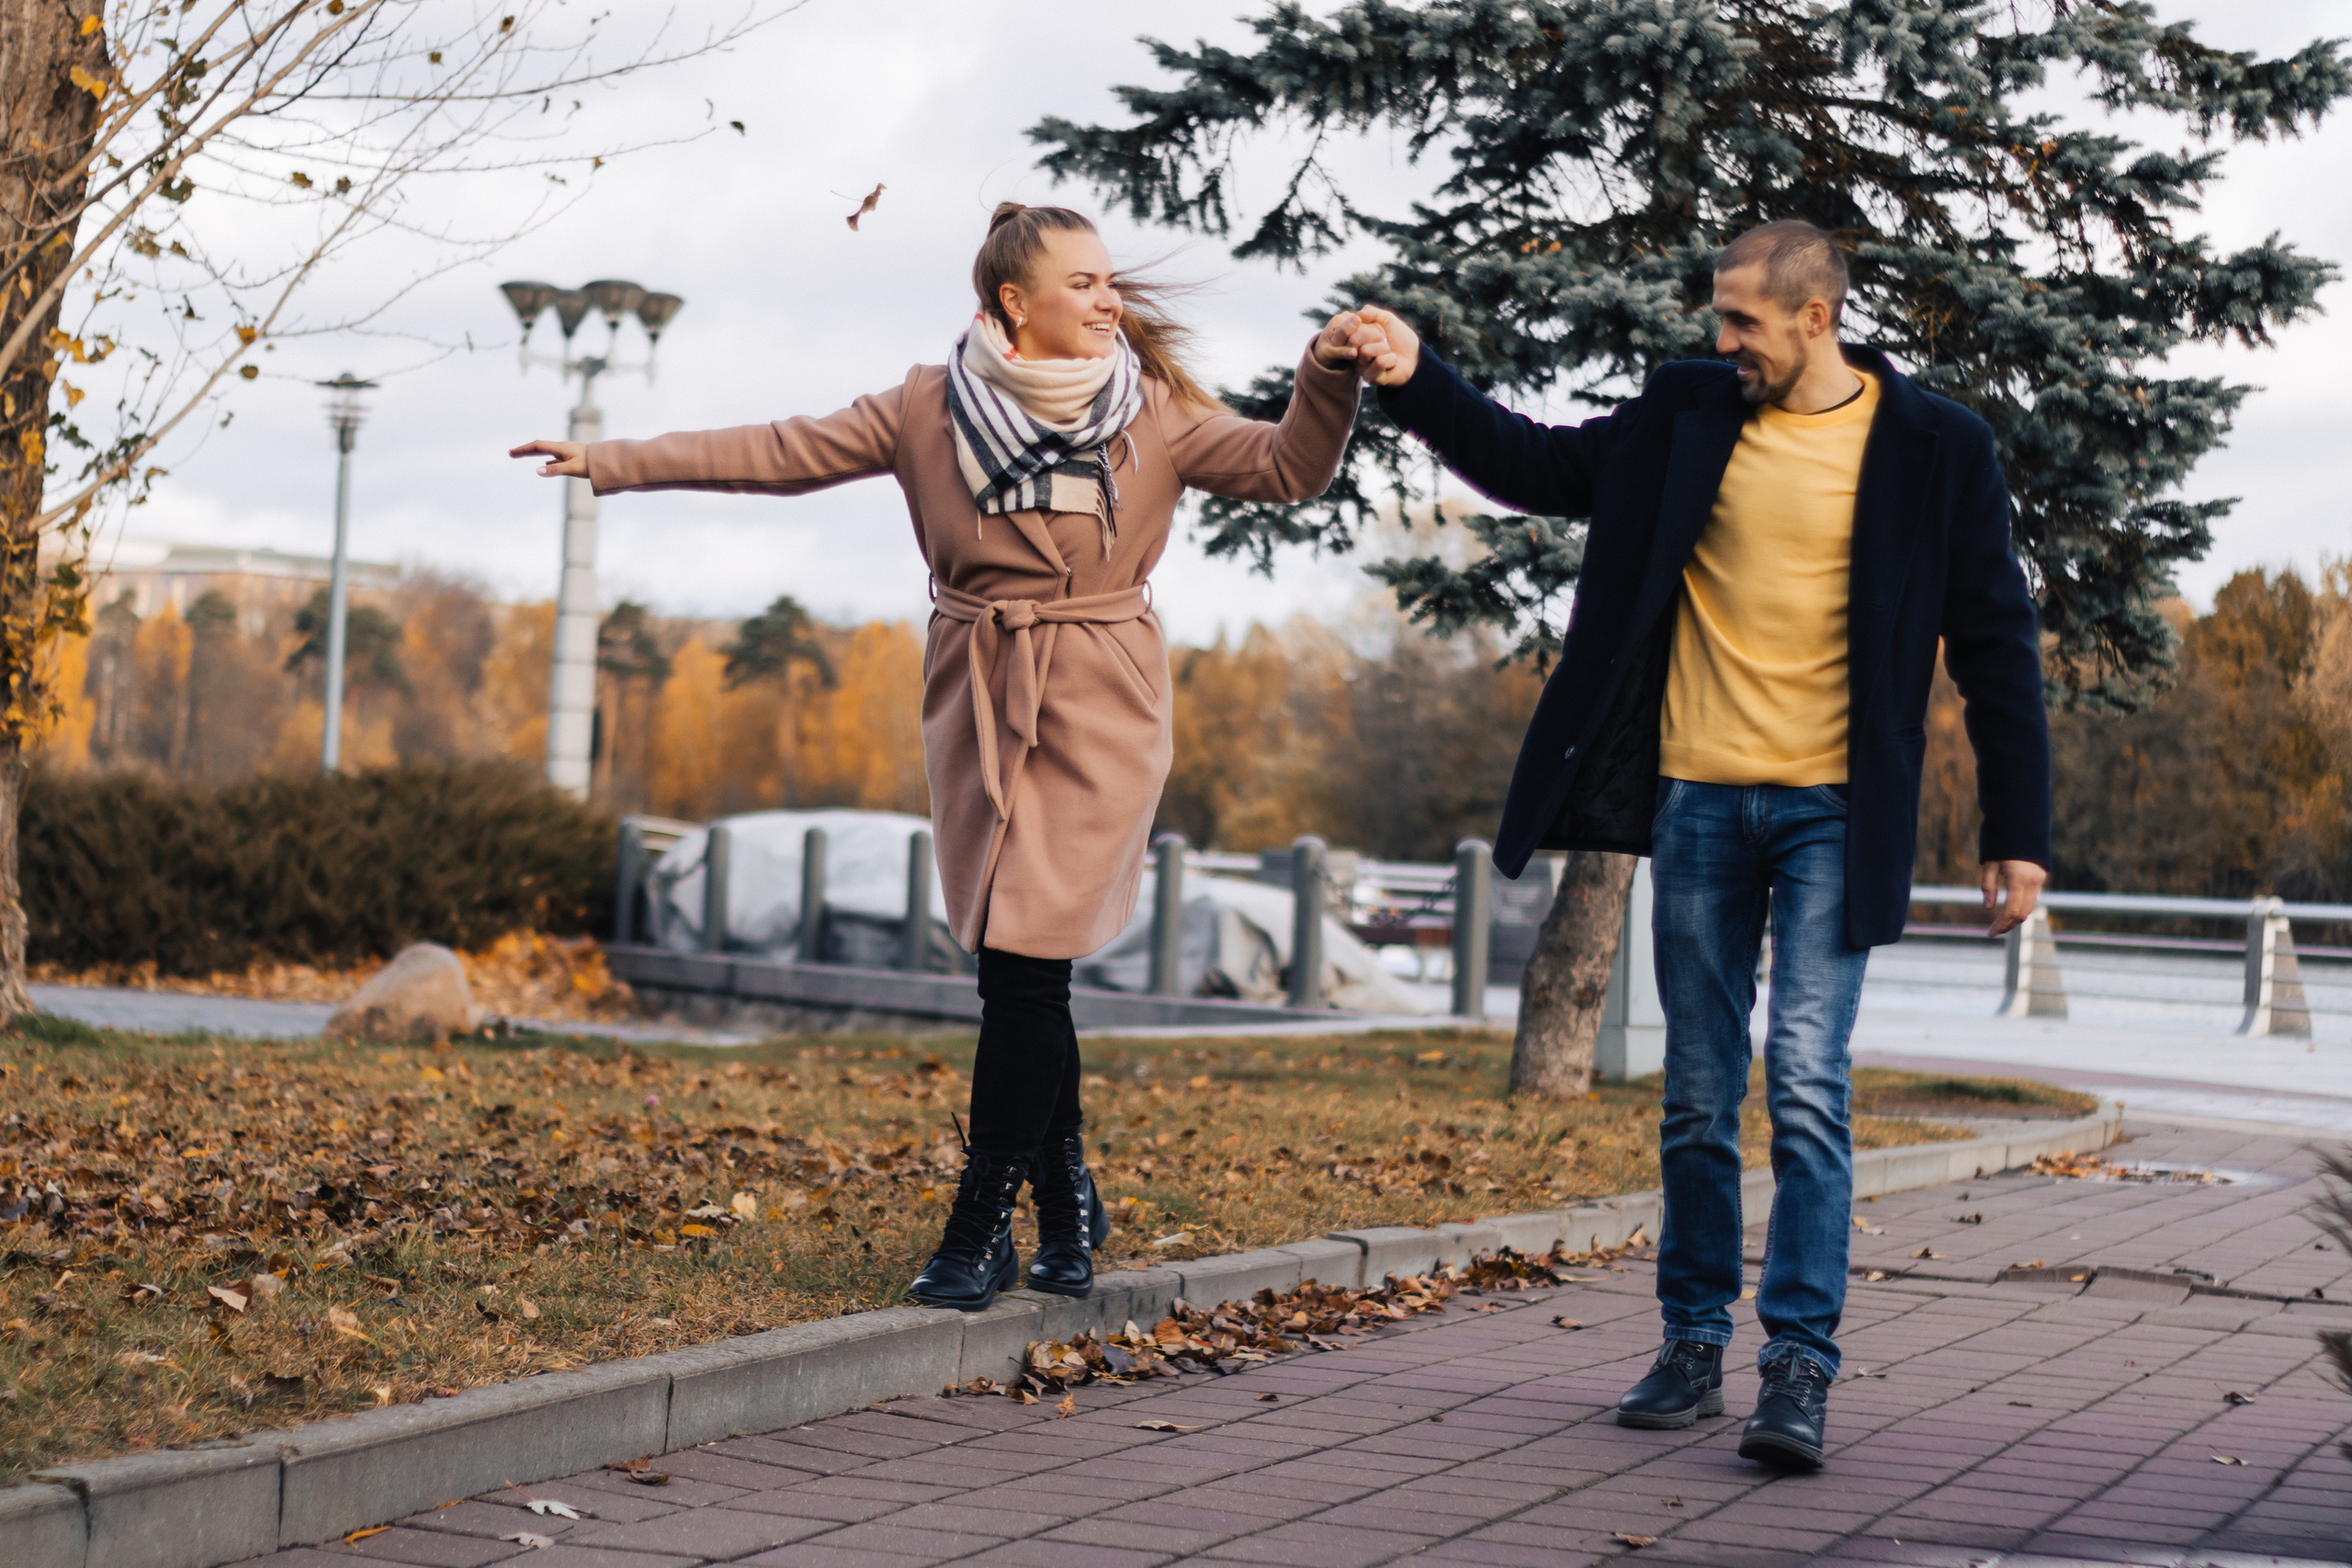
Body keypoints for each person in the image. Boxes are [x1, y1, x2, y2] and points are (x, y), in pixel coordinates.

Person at [511, 203, 1365, 1313]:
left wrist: (1326, 377)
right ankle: (1065, 1200)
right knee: (1018, 968)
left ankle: (981, 1222)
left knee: (1024, 962)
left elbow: (1289, 466)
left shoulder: (1155, 414)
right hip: (977, 691)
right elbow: (779, 452)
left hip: (1103, 697)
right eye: (1084, 284)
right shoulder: (926, 406)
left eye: (1111, 283)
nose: (1111, 301)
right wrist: (617, 461)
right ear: (1016, 301)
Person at [1345, 220, 2052, 1471]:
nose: (1720, 341)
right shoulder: (1687, 411)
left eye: (1743, 323)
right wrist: (1416, 375)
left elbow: (1997, 642)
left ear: (1818, 316)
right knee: (1696, 1091)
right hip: (1700, 801)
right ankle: (1687, 1340)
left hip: (1839, 807)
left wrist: (2019, 834)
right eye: (1717, 319)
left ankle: (1798, 1365)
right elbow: (1536, 463)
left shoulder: (1939, 447)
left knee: (1810, 1087)